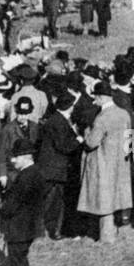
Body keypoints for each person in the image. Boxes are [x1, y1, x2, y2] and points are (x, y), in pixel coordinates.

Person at [78, 82, 134, 243]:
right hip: (121, 161)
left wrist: (86, 133)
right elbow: (130, 137)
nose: (94, 101)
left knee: (104, 199)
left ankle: (106, 235)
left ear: (101, 98)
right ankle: (115, 228)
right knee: (116, 195)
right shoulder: (124, 114)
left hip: (103, 163)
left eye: (95, 97)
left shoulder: (101, 118)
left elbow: (91, 142)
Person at [0, 139, 44, 266]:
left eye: (16, 157)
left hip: (19, 228)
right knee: (22, 258)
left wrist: (1, 207)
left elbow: (11, 206)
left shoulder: (24, 177)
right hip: (30, 226)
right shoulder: (36, 172)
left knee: (17, 261)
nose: (12, 160)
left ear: (26, 157)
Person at [36, 91, 80, 240]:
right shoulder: (59, 122)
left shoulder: (55, 119)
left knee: (45, 200)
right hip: (56, 168)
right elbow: (63, 146)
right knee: (57, 201)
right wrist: (79, 140)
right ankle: (55, 231)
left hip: (48, 166)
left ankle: (40, 230)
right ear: (69, 106)